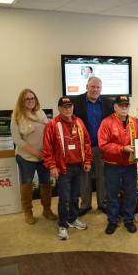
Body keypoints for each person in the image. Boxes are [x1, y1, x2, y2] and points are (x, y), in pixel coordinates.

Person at [42, 97, 92, 240]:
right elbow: (47, 148)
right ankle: (62, 225)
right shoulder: (52, 125)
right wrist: (52, 166)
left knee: (75, 196)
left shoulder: (79, 122)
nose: (67, 109)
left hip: (78, 167)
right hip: (63, 169)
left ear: (73, 107)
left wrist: (87, 160)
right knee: (64, 198)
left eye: (69, 106)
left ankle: (73, 219)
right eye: (64, 107)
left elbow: (87, 143)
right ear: (59, 108)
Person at [98, 95, 138, 235]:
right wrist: (122, 148)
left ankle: (129, 220)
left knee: (130, 193)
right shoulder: (106, 123)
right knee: (112, 194)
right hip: (112, 165)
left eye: (126, 105)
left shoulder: (135, 122)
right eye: (121, 105)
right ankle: (112, 220)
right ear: (115, 107)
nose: (124, 108)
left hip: (130, 165)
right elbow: (103, 145)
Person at [11, 88, 56, 224]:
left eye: (32, 98)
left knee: (46, 183)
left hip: (44, 157)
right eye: (27, 99)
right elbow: (17, 140)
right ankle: (28, 212)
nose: (30, 101)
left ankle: (47, 209)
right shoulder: (16, 116)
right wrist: (36, 152)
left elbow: (48, 130)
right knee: (27, 184)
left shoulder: (40, 112)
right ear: (22, 101)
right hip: (26, 157)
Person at [72, 76, 113, 215]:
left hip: (102, 147)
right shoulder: (76, 102)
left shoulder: (108, 103)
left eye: (98, 87)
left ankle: (103, 204)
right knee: (84, 177)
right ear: (86, 87)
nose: (95, 89)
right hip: (83, 148)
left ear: (101, 89)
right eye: (92, 87)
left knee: (103, 176)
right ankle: (85, 205)